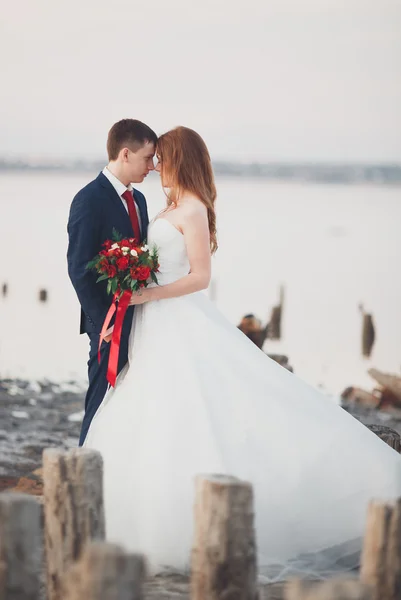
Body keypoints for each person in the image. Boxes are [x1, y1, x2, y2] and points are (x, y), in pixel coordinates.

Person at [84, 126, 401, 581]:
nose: (155, 167)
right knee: (154, 409)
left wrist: (147, 296)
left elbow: (199, 278)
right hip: (153, 327)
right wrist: (133, 281)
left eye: (162, 159)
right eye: (152, 159)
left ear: (180, 160)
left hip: (177, 318)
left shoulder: (192, 210)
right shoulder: (169, 206)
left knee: (206, 405)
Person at [67, 119, 157, 445]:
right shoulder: (89, 199)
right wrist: (102, 320)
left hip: (139, 315)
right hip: (106, 321)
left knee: (130, 395)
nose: (153, 166)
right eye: (148, 158)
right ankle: (84, 458)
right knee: (102, 392)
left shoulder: (141, 201)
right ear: (125, 153)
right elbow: (79, 267)